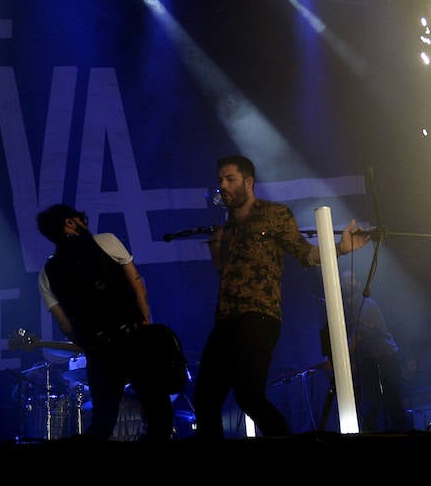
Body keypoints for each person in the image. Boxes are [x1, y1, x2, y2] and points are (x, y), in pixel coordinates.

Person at [192, 154, 372, 439]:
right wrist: (217, 247)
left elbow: (304, 253)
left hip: (259, 316)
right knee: (205, 399)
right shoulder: (225, 228)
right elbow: (224, 275)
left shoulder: (274, 215)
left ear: (248, 182)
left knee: (248, 394)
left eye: (230, 179)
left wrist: (338, 248)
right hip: (226, 319)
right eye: (220, 181)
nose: (223, 186)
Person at [36, 204, 177, 442]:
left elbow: (65, 324)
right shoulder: (107, 241)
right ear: (70, 223)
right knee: (159, 415)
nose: (86, 224)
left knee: (102, 422)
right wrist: (145, 324)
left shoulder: (46, 273)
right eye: (83, 219)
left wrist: (89, 344)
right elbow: (137, 286)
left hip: (99, 349)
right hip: (133, 337)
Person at [336, 269, 408, 433]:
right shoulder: (348, 308)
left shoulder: (366, 303)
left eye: (352, 279)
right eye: (345, 280)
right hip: (369, 360)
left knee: (391, 400)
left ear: (359, 283)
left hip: (385, 356)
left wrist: (344, 356)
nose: (348, 282)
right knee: (371, 402)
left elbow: (359, 334)